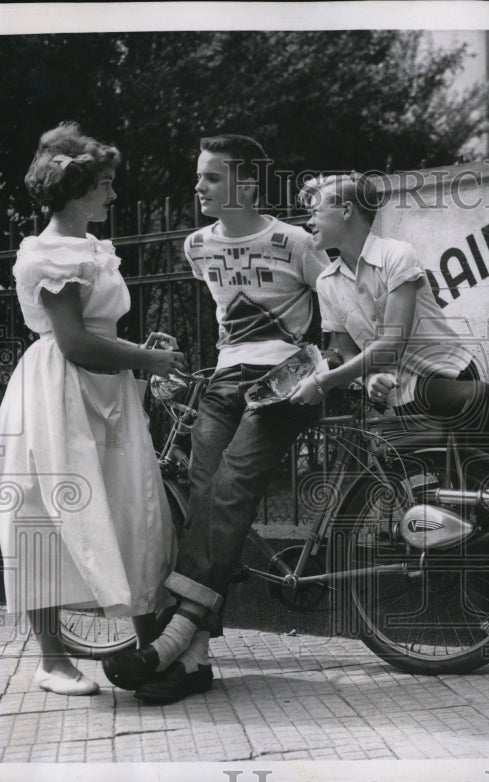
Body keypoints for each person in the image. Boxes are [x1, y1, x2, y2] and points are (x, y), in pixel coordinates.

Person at [102, 134, 329, 704]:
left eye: (210, 177)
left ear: (245, 186)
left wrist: (323, 375)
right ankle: (195, 660)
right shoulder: (197, 246)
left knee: (228, 491)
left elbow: (338, 306)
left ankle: (173, 643)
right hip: (226, 381)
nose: (198, 186)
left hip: (285, 382)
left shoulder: (295, 241)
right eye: (198, 176)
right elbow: (228, 323)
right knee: (204, 499)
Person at [286, 172, 489, 544]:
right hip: (402, 394)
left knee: (482, 430)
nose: (308, 219)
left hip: (446, 376)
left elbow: (391, 344)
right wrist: (368, 378)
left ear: (346, 210)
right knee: (459, 498)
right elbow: (345, 348)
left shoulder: (396, 255)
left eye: (315, 209)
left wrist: (325, 381)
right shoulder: (327, 282)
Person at [0, 122, 183, 696]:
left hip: (105, 389)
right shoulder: (51, 254)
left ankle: (147, 648)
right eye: (104, 184)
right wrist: (147, 361)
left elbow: (97, 333)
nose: (113, 194)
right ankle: (52, 662)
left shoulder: (91, 249)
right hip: (61, 391)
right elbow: (74, 342)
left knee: (131, 504)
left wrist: (137, 352)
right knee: (51, 511)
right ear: (75, 189)